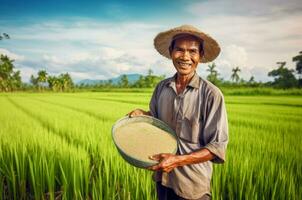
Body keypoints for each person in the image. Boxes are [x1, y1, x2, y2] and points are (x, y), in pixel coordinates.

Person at [128, 25, 229, 200]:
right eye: (179, 50)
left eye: (192, 51)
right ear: (171, 52)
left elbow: (217, 147)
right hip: (163, 180)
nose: (185, 57)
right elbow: (157, 121)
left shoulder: (211, 94)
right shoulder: (162, 87)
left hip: (192, 186)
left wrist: (177, 160)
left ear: (200, 56)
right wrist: (143, 114)